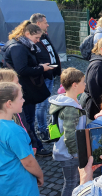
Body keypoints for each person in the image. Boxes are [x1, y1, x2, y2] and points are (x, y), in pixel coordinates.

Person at [3, 20, 53, 156]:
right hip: (25, 89)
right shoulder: (18, 47)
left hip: (25, 88)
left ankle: (35, 144)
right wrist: (41, 68)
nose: (38, 41)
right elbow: (22, 69)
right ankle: (35, 146)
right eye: (36, 38)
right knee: (27, 120)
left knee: (28, 119)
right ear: (27, 34)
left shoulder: (20, 45)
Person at [0, 82, 44, 196]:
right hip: (21, 186)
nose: (24, 101)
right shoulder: (13, 130)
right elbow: (28, 162)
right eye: (21, 98)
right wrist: (40, 175)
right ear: (9, 103)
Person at [49, 68, 87, 196]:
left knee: (71, 181)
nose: (85, 84)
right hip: (69, 154)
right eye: (83, 82)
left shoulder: (63, 101)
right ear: (74, 85)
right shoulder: (70, 108)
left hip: (63, 151)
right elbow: (70, 135)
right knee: (71, 182)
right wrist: (75, 153)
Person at [30, 13, 62, 142]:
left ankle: (50, 130)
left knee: (48, 105)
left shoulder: (44, 36)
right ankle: (42, 131)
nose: (47, 24)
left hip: (50, 75)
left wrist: (57, 70)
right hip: (42, 76)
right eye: (45, 22)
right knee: (41, 105)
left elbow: (51, 53)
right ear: (38, 24)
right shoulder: (34, 39)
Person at [0, 68, 38, 154]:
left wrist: (33, 144)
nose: (20, 86)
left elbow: (25, 125)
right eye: (17, 83)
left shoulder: (17, 107)